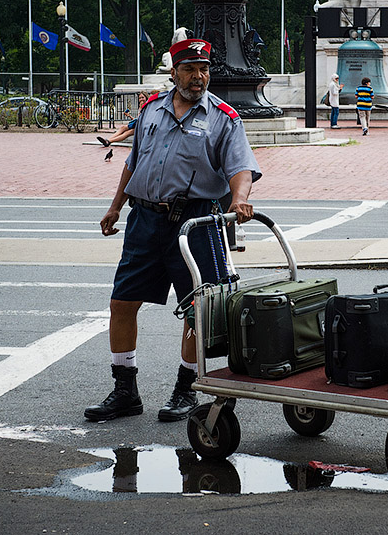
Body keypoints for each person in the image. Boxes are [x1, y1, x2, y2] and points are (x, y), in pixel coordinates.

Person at [85, 38, 262, 423]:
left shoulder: (224, 118)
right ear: (174, 73)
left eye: (204, 70)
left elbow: (241, 168)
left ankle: (186, 389)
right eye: (190, 70)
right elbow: (133, 162)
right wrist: (115, 207)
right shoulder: (151, 110)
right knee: (122, 302)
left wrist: (239, 199)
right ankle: (125, 390)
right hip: (144, 220)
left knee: (198, 311)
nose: (198, 77)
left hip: (195, 222)